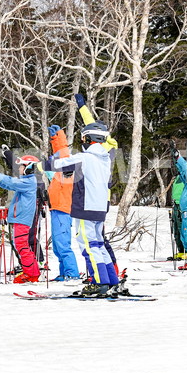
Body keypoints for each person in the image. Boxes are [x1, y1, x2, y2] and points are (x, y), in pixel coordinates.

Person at [49, 114, 121, 296]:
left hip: (85, 208)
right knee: (99, 244)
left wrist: (38, 166)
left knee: (88, 245)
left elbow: (60, 164)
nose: (82, 142)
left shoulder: (85, 157)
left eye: (83, 138)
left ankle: (99, 282)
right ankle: (111, 280)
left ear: (89, 139)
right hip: (98, 208)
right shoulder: (105, 159)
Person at [0, 153, 43, 284]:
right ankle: (32, 272)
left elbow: (12, 182)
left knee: (21, 246)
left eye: (21, 167)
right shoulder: (25, 182)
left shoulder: (28, 181)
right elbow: (10, 185)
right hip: (18, 218)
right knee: (21, 246)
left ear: (28, 168)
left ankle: (30, 274)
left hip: (21, 219)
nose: (19, 169)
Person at [46, 126, 83, 281]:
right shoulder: (60, 168)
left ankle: (71, 273)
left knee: (62, 244)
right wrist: (56, 138)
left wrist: (59, 137)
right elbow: (61, 151)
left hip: (62, 208)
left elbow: (63, 153)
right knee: (57, 246)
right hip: (56, 208)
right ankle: (64, 272)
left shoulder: (67, 168)